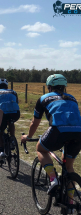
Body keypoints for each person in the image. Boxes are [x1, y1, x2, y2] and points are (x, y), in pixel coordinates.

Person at [21, 74, 81, 210]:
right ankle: (70, 204)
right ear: (64, 87)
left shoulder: (43, 98)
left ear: (49, 87)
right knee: (69, 167)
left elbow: (34, 122)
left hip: (58, 130)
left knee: (41, 148)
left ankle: (53, 180)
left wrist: (28, 137)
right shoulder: (72, 98)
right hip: (78, 131)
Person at [0, 78, 20, 163]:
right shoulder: (13, 91)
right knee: (11, 121)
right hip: (16, 113)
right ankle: (12, 139)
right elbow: (16, 102)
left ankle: (1, 152)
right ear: (7, 86)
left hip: (3, 114)